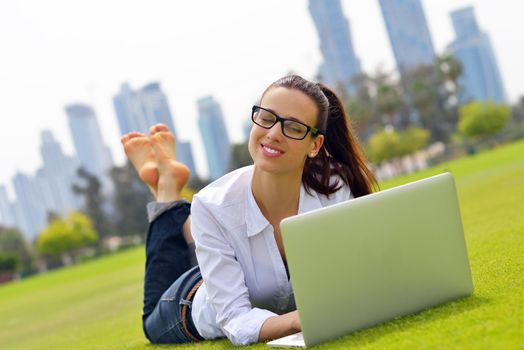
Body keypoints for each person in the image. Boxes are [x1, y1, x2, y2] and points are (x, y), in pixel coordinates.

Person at [120, 75, 377, 346]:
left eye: (294, 127)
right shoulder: (212, 204)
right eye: (267, 119)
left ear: (314, 145)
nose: (274, 133)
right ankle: (167, 191)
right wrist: (301, 319)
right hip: (196, 298)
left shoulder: (334, 188)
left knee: (213, 223)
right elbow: (236, 321)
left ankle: (169, 189)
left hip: (227, 264)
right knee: (151, 322)